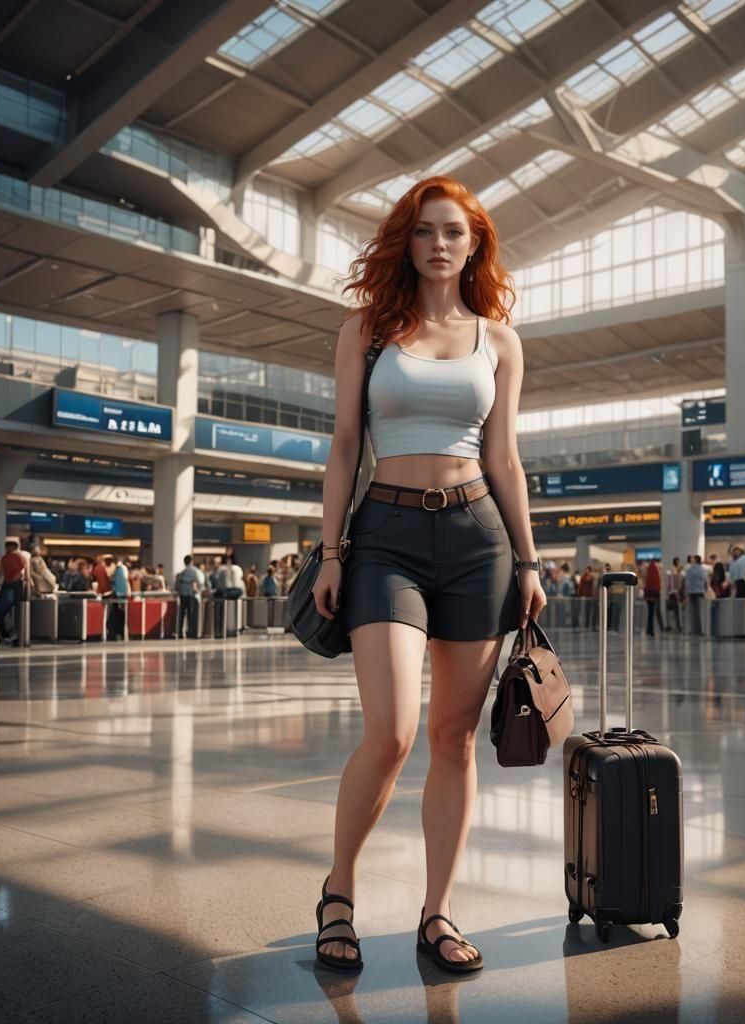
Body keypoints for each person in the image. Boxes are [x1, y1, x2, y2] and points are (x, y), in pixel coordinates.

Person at [308, 177, 545, 975]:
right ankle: (338, 892)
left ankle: (437, 911)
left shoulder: (500, 340)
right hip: (385, 536)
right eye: (422, 232)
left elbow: (505, 458)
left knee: (452, 736)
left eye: (452, 231)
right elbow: (345, 443)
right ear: (404, 243)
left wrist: (531, 558)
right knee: (394, 732)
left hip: (479, 537)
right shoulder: (368, 330)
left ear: (474, 242)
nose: (437, 244)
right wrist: (331, 550)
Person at [0, 540, 28, 644]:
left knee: (2, 611)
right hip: (14, 585)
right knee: (15, 611)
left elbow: (1, 572)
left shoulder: (8, 558)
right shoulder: (19, 557)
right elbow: (21, 573)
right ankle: (13, 635)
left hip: (8, 585)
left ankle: (5, 634)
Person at [175, 555, 204, 639]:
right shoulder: (195, 571)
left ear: (184, 562)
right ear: (191, 561)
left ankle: (180, 632)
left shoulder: (181, 573)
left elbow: (177, 586)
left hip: (183, 595)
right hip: (191, 595)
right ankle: (191, 632)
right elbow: (200, 583)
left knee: (182, 614)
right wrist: (197, 590)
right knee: (191, 615)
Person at [683, 554, 708, 636]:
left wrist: (686, 594)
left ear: (695, 560)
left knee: (692, 612)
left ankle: (693, 630)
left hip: (691, 593)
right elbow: (705, 581)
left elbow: (687, 582)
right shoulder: (703, 570)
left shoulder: (689, 570)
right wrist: (705, 591)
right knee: (700, 612)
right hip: (700, 592)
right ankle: (700, 630)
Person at [107, 556, 130, 640]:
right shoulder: (122, 569)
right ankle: (121, 633)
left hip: (118, 596)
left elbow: (117, 583)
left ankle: (117, 632)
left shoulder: (119, 569)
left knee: (117, 615)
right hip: (122, 596)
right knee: (121, 614)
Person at [643, 557, 664, 636]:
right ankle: (650, 630)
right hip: (654, 594)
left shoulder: (648, 569)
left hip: (648, 594)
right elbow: (656, 583)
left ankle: (648, 629)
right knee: (652, 613)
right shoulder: (655, 569)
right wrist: (658, 592)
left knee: (650, 613)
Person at [666, 557, 684, 632]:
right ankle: (677, 626)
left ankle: (677, 625)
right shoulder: (673, 570)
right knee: (675, 610)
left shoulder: (675, 571)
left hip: (675, 593)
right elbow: (673, 583)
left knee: (676, 611)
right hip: (673, 593)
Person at [577, 565, 596, 630]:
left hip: (590, 598)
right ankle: (583, 626)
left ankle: (588, 625)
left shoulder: (592, 578)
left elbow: (592, 586)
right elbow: (580, 587)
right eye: (586, 570)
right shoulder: (583, 578)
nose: (587, 571)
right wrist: (580, 595)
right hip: (584, 597)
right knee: (583, 612)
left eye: (589, 570)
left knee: (589, 612)